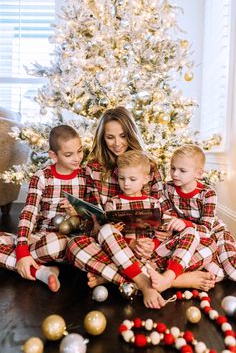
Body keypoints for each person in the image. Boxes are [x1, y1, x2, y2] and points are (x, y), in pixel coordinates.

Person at [67, 107, 216, 302]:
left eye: (123, 135)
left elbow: (164, 211)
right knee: (75, 245)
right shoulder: (93, 168)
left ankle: (119, 277)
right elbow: (95, 218)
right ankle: (159, 282)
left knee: (208, 244)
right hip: (116, 244)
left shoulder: (149, 166)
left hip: (152, 246)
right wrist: (104, 229)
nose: (117, 143)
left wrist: (162, 233)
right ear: (102, 138)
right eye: (110, 137)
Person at [103, 150, 217, 292]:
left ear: (146, 179)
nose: (126, 184)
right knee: (103, 234)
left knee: (195, 235)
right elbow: (112, 238)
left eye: (132, 179)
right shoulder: (112, 204)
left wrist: (154, 243)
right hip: (126, 254)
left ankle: (165, 278)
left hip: (155, 252)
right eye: (121, 178)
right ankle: (165, 278)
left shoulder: (154, 202)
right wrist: (132, 244)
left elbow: (162, 231)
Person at [0, 125, 93, 292]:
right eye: (68, 154)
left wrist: (78, 212)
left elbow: (93, 216)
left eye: (80, 151)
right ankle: (42, 271)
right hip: (39, 238)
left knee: (54, 244)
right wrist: (21, 249)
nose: (77, 158)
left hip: (67, 242)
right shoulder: (42, 177)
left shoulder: (86, 176)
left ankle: (29, 265)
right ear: (53, 156)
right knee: (23, 242)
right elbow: (29, 212)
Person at [161, 144, 236, 282]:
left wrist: (184, 223)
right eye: (173, 168)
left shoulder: (208, 193)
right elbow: (168, 216)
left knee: (231, 269)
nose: (175, 174)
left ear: (199, 174)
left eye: (182, 170)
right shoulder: (167, 188)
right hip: (189, 235)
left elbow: (207, 229)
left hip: (214, 232)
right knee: (216, 274)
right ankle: (174, 275)